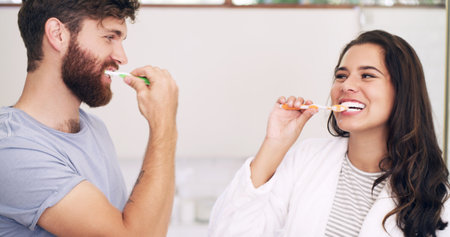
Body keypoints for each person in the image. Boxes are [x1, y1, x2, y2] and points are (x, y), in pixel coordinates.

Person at [208, 30, 450, 237]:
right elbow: (228, 231)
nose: (346, 86)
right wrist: (274, 144)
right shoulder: (306, 159)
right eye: (341, 76)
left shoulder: (439, 196)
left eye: (367, 75)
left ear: (403, 91)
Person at [0, 0, 178, 236]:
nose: (122, 57)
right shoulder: (10, 147)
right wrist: (164, 123)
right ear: (57, 35)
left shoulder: (95, 129)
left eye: (121, 40)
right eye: (109, 37)